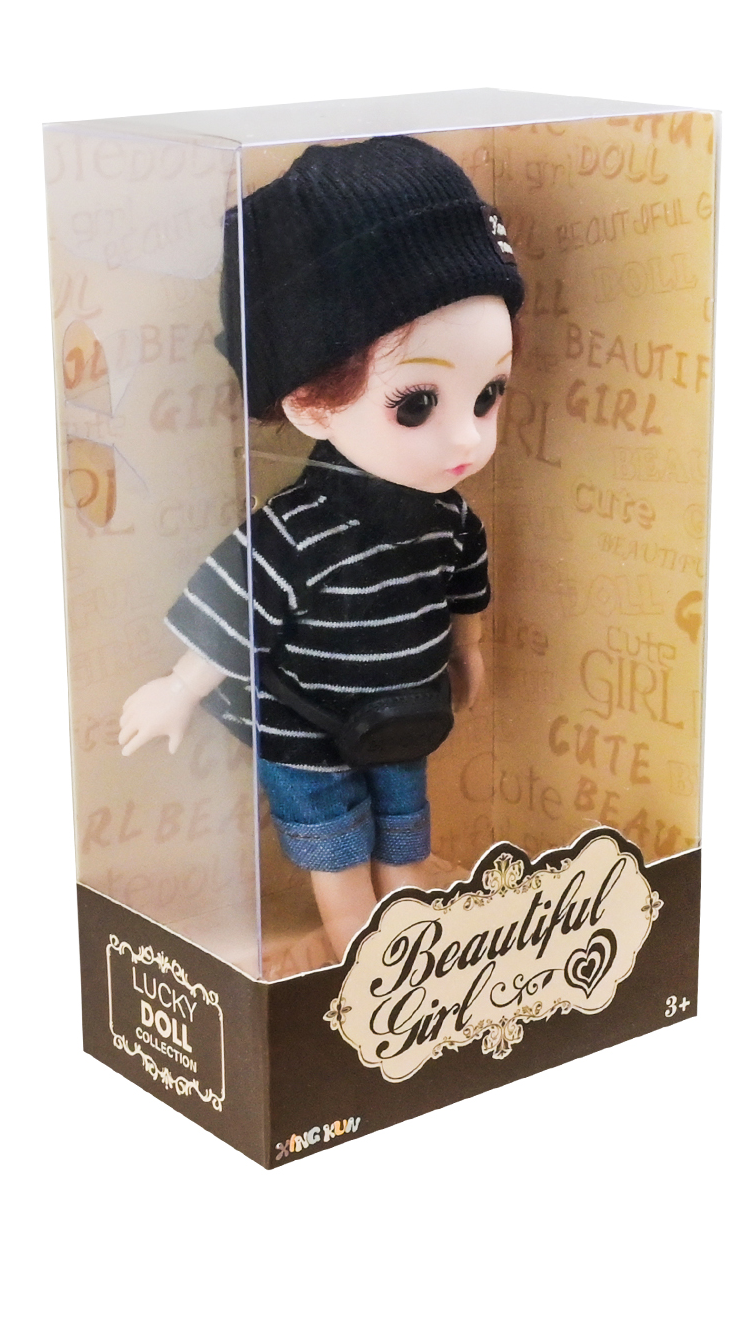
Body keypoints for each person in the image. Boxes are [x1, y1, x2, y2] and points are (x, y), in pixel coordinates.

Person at [118, 135, 524, 969]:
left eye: (488, 395)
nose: (467, 438)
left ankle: (418, 963)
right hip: (307, 732)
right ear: (308, 402)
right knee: (338, 863)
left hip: (405, 713)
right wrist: (180, 687)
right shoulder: (296, 530)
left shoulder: (450, 518)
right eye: (416, 404)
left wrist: (468, 650)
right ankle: (368, 973)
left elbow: (463, 594)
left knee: (405, 845)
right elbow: (236, 617)